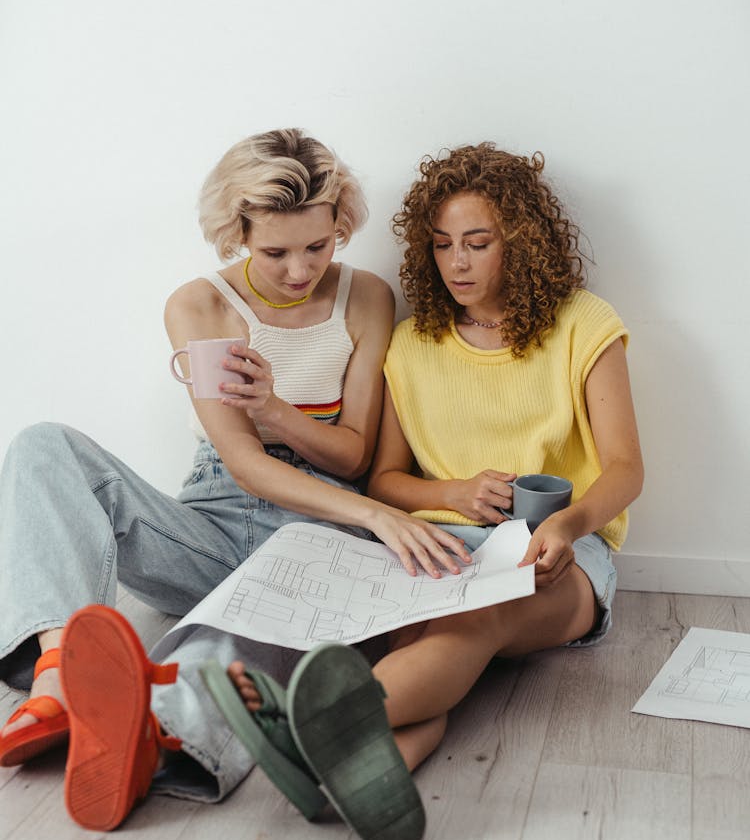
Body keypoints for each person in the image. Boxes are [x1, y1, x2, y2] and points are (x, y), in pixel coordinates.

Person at [0, 128, 467, 805]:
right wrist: (370, 505)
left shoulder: (364, 296)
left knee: (240, 627)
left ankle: (155, 735)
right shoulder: (201, 306)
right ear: (237, 231)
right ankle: (56, 674)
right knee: (43, 445)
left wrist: (276, 409)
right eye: (276, 251)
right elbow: (244, 464)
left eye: (319, 244)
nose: (301, 269)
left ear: (341, 224)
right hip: (214, 519)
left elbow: (356, 451)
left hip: (321, 527)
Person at [222, 141, 644, 784]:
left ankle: (313, 722)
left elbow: (624, 468)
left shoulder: (583, 324)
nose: (457, 262)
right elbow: (385, 481)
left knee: (475, 618)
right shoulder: (412, 344)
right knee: (417, 643)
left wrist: (569, 524)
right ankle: (360, 780)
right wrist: (456, 491)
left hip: (559, 553)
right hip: (442, 546)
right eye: (443, 244)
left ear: (520, 241)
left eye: (478, 242)